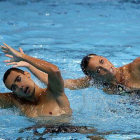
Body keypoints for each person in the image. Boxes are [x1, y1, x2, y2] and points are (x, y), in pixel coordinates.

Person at [0, 43, 72, 118]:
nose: (19, 86)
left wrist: (23, 57)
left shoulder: (54, 92)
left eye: (19, 79)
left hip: (67, 128)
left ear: (27, 74)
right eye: (14, 87)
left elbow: (54, 71)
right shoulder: (18, 102)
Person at [64, 54, 140, 95]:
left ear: (104, 57)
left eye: (102, 61)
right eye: (98, 70)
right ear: (94, 77)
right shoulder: (98, 82)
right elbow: (72, 84)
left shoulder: (134, 68)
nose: (106, 68)